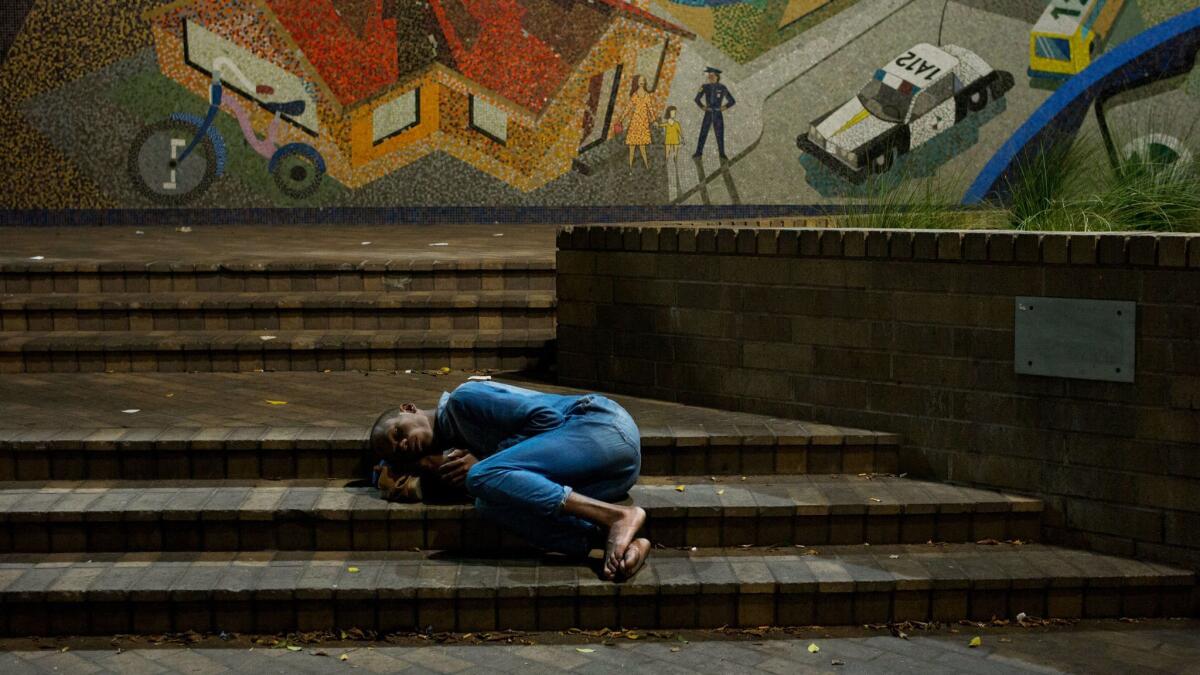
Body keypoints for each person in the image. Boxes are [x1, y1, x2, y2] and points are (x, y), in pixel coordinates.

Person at [370, 380, 649, 581]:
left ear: (408, 408)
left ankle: (617, 517)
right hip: (612, 475)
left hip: (603, 427)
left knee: (481, 476)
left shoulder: (462, 400)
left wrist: (486, 459)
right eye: (399, 452)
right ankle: (614, 542)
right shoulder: (454, 450)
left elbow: (547, 419)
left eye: (398, 433)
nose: (404, 444)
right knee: (488, 503)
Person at [693, 66, 736, 160]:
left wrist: (723, 108)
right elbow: (697, 99)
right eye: (709, 76)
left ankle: (722, 153)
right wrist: (703, 107)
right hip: (708, 113)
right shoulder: (704, 87)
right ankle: (698, 152)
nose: (710, 78)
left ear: (717, 77)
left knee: (720, 133)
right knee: (703, 133)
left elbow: (732, 101)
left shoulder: (722, 87)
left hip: (717, 113)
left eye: (712, 76)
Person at [620, 74, 656, 168]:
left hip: (643, 121)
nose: (642, 82)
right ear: (637, 82)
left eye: (643, 80)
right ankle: (631, 165)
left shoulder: (647, 95)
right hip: (635, 120)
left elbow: (650, 108)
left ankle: (646, 164)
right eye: (640, 80)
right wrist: (621, 119)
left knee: (642, 145)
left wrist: (654, 119)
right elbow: (628, 107)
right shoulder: (635, 95)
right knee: (632, 145)